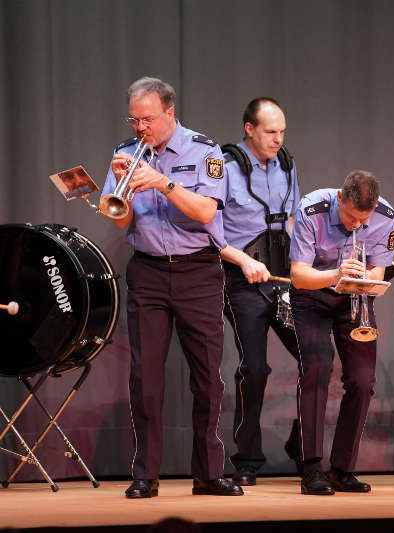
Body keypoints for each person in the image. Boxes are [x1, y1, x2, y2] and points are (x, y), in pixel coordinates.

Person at [101, 77, 242, 498]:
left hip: (198, 271)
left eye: (147, 119)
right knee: (145, 378)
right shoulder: (124, 153)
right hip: (147, 270)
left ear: (169, 114)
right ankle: (145, 474)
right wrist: (118, 184)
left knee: (206, 379)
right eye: (134, 119)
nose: (140, 127)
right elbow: (119, 217)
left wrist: (162, 182)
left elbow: (205, 211)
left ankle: (209, 474)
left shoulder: (205, 150)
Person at [289, 171, 394, 495]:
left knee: (363, 381)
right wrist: (337, 273)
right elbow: (298, 276)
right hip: (312, 295)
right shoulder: (312, 210)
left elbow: (378, 273)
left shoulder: (385, 216)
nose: (355, 225)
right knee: (317, 369)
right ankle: (311, 468)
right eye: (350, 217)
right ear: (340, 198)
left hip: (355, 296)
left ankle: (342, 468)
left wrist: (365, 279)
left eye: (362, 220)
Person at [219, 97, 302, 485]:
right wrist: (243, 261)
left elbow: (296, 219)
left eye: (282, 131)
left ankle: (303, 448)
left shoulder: (286, 163)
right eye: (271, 132)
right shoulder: (224, 166)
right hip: (242, 279)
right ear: (249, 129)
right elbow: (209, 231)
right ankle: (247, 460)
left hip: (283, 278)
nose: (278, 139)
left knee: (315, 358)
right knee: (254, 368)